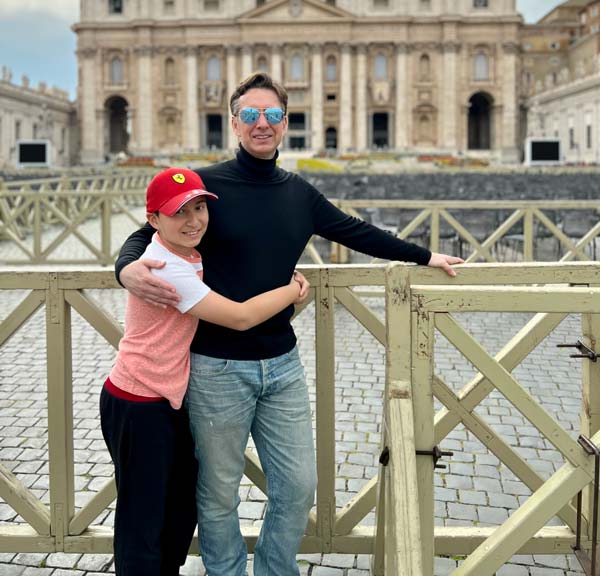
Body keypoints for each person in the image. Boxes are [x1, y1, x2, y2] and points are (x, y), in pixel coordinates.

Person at [116, 72, 463, 576]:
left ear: (285, 123)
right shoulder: (204, 184)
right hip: (214, 367)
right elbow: (143, 232)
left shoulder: (299, 193)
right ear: (234, 122)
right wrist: (124, 270)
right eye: (251, 115)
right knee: (217, 493)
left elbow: (358, 232)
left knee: (298, 487)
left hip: (282, 365)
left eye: (273, 115)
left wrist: (425, 255)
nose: (263, 124)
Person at [102, 166, 308, 576]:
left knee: (177, 508)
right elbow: (241, 317)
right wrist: (293, 289)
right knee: (142, 518)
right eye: (179, 212)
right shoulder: (167, 267)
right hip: (137, 400)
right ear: (155, 220)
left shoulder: (188, 252)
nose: (193, 220)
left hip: (170, 399)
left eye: (199, 208)